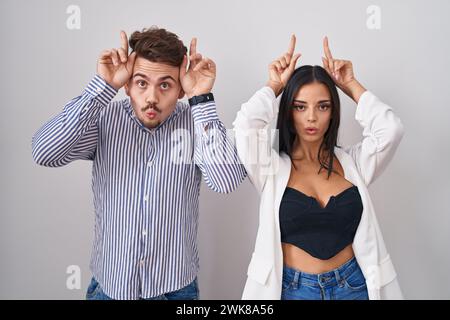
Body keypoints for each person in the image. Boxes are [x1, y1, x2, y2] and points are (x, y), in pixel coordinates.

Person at [32, 27, 246, 300]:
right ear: (127, 84)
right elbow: (44, 152)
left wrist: (200, 99)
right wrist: (102, 88)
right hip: (111, 288)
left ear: (181, 88)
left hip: (175, 289)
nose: (152, 98)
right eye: (142, 83)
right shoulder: (104, 119)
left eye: (165, 85)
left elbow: (225, 181)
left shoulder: (195, 123)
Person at [233, 35, 404, 300]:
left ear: (333, 111)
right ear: (288, 111)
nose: (311, 117)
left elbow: (390, 130)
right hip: (292, 290)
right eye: (300, 107)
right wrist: (275, 85)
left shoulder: (353, 164)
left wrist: (350, 84)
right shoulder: (269, 167)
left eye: (322, 106)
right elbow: (246, 126)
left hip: (353, 286)